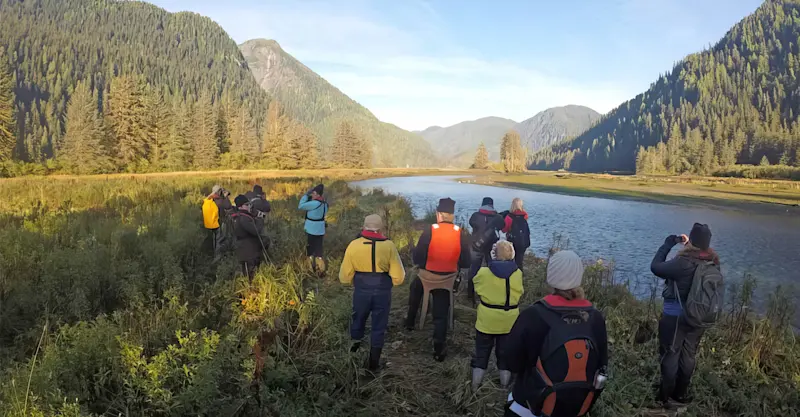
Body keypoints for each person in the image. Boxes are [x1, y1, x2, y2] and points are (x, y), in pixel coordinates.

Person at [505, 250, 608, 417]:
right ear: (579, 277)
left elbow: (511, 362)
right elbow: (602, 366)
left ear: (550, 277)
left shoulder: (533, 314)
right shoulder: (595, 318)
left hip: (531, 405)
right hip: (576, 409)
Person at [650, 223, 720, 407]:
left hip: (675, 317)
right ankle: (680, 395)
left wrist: (668, 243)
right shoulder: (712, 261)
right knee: (688, 356)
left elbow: (656, 267)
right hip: (698, 317)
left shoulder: (683, 262)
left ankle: (664, 397)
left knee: (670, 355)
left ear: (691, 240)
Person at [404, 197, 471, 361]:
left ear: (438, 214)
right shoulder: (460, 233)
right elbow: (466, 262)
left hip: (427, 276)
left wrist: (424, 265)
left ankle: (410, 322)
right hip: (447, 279)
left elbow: (418, 257)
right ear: (452, 216)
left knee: (415, 288)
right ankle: (439, 349)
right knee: (441, 314)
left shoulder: (430, 230)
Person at [339, 214, 406, 371]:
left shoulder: (354, 245)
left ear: (364, 227)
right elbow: (398, 276)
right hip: (382, 291)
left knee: (358, 322)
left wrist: (351, 281)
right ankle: (373, 365)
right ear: (381, 228)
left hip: (361, 290)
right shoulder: (389, 246)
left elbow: (344, 276)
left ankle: (353, 357)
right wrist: (393, 281)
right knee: (378, 327)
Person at [471, 240, 524, 391]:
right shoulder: (518, 273)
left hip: (486, 320)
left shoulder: (483, 272)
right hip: (509, 321)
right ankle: (504, 385)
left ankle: (475, 386)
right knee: (504, 355)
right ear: (512, 255)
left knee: (481, 353)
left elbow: (476, 287)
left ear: (493, 254)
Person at [467, 197, 503, 303]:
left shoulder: (475, 216)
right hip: (491, 247)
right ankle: (490, 293)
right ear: (492, 205)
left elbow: (472, 223)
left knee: (473, 270)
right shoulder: (498, 217)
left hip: (476, 246)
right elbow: (502, 226)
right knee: (492, 270)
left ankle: (470, 295)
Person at [232, 195, 267, 280]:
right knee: (251, 274)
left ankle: (249, 289)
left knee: (248, 273)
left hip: (245, 249)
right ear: (240, 206)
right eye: (246, 204)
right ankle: (250, 290)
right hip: (249, 251)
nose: (249, 206)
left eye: (249, 204)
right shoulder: (243, 218)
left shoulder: (239, 216)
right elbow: (256, 231)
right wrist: (260, 219)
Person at [298, 184, 328, 274]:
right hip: (320, 229)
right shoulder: (325, 204)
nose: (312, 195)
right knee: (319, 250)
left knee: (310, 249)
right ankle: (321, 270)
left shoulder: (314, 203)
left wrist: (306, 195)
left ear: (318, 194)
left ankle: (310, 269)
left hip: (311, 228)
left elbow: (301, 206)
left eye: (314, 193)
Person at [203, 185, 233, 262]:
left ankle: (215, 255)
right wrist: (225, 197)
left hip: (212, 223)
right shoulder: (220, 201)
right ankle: (217, 258)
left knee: (215, 240)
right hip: (220, 223)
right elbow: (228, 206)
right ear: (219, 192)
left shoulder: (210, 199)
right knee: (220, 240)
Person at [502, 198, 531, 271]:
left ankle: (509, 277)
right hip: (523, 241)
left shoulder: (509, 217)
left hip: (512, 242)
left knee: (510, 260)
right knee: (519, 261)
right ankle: (519, 277)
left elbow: (504, 229)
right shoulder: (525, 216)